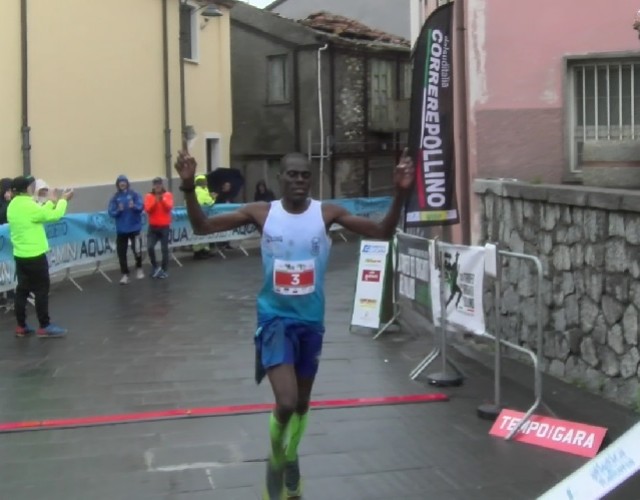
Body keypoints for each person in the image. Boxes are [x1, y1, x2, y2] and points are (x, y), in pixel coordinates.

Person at [175, 149, 413, 500]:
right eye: (292, 175)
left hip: (311, 322)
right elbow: (202, 227)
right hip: (274, 319)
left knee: (301, 404)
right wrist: (186, 187)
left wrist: (401, 193)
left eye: (304, 175)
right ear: (279, 179)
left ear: (310, 179)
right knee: (285, 402)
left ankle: (292, 457)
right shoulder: (262, 213)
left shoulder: (326, 213)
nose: (299, 181)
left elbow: (380, 231)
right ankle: (277, 456)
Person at [7, 176, 74, 338]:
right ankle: (45, 325)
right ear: (26, 189)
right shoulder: (29, 205)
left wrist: (51, 201)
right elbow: (52, 216)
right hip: (35, 255)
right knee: (41, 290)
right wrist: (63, 200)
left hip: (20, 255)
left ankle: (21, 325)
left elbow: (40, 213)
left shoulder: (13, 206)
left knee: (22, 290)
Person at [108, 175, 145, 284]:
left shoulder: (134, 194)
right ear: (118, 184)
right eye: (120, 182)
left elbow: (141, 206)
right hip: (122, 230)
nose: (122, 184)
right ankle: (125, 274)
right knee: (121, 253)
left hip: (134, 228)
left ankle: (139, 268)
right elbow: (111, 212)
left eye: (124, 182)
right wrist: (118, 210)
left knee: (137, 250)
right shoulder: (115, 197)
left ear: (127, 183)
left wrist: (134, 206)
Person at [144, 177, 173, 279]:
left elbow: (169, 207)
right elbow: (148, 209)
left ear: (162, 185)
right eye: (156, 184)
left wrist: (162, 201)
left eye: (159, 184)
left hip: (164, 226)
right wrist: (155, 202)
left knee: (164, 249)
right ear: (153, 186)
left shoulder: (167, 195)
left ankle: (164, 270)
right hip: (153, 227)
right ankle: (155, 267)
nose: (157, 186)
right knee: (150, 247)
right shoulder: (149, 196)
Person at [193, 174, 215, 259]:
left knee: (202, 233)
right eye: (205, 181)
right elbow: (209, 203)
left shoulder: (203, 190)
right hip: (200, 216)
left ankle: (204, 250)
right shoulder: (200, 191)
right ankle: (198, 252)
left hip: (200, 216)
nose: (206, 182)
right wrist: (213, 198)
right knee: (200, 233)